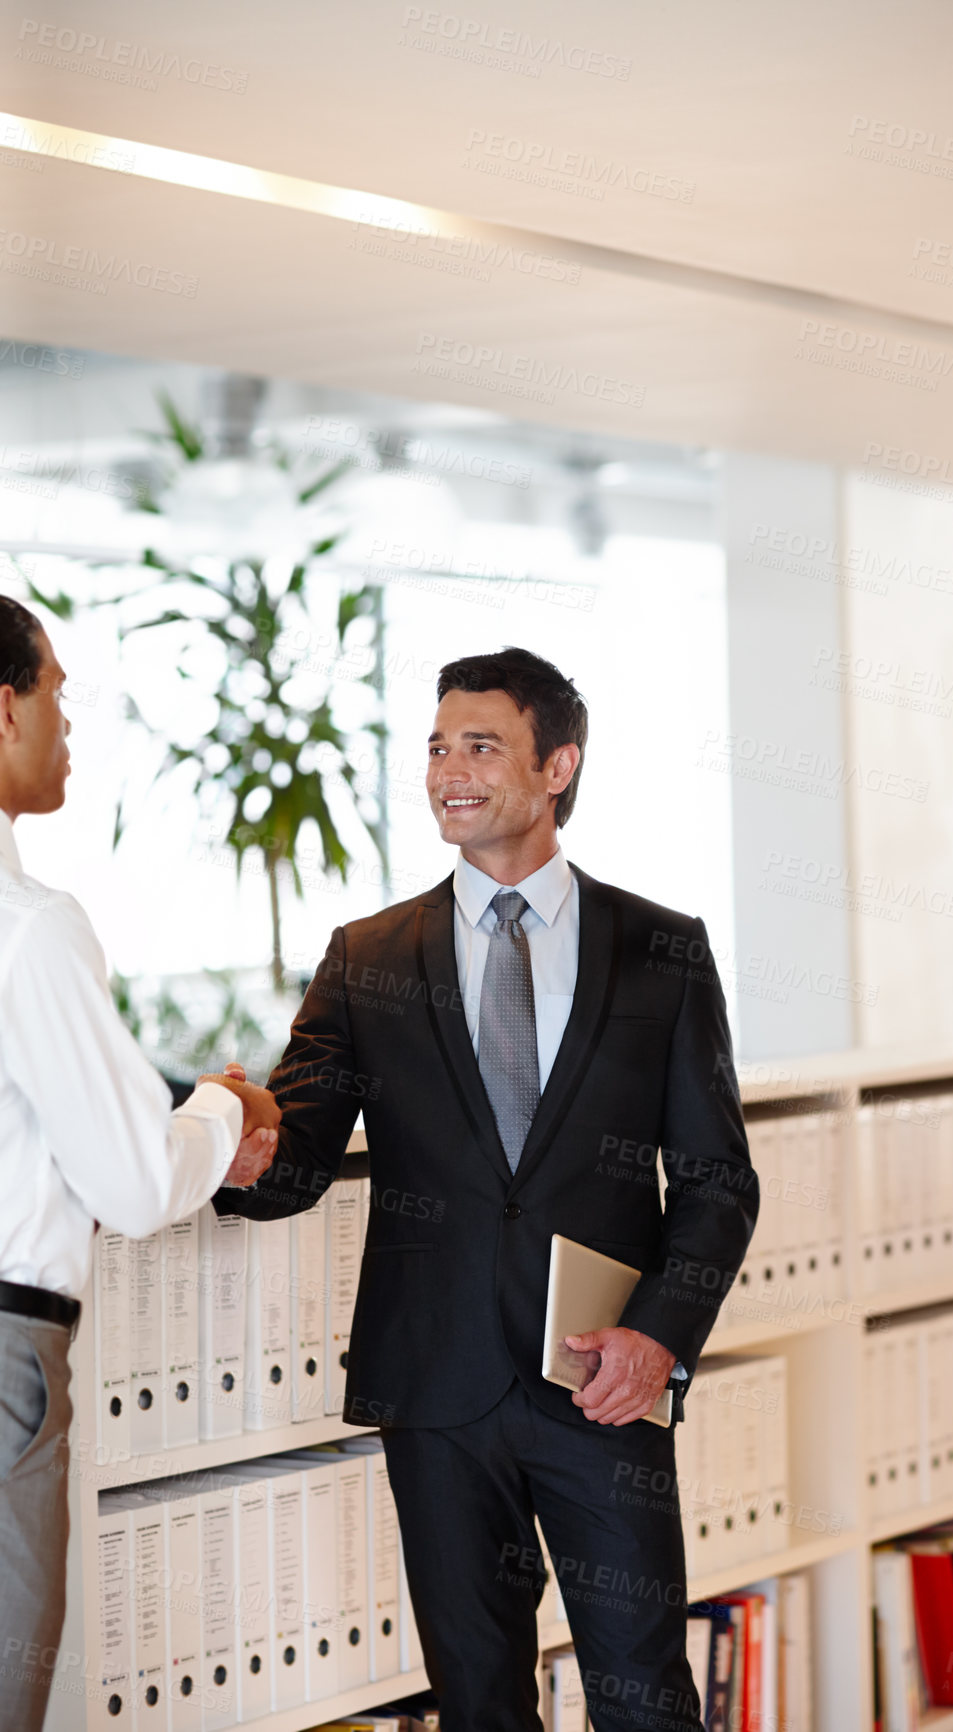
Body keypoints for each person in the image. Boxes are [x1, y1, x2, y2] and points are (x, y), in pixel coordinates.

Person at [216, 646, 758, 1732]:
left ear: (555, 766)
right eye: (433, 747)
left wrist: (656, 1335)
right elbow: (302, 1151)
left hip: (599, 1384)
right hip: (438, 1392)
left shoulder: (660, 950)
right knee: (475, 1704)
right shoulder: (366, 954)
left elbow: (715, 1182)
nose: (445, 771)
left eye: (479, 746)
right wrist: (227, 1141)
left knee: (646, 1696)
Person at [0, 598, 281, 1732]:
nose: (68, 722)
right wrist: (225, 1106)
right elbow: (130, 1180)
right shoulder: (29, 926)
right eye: (57, 691)